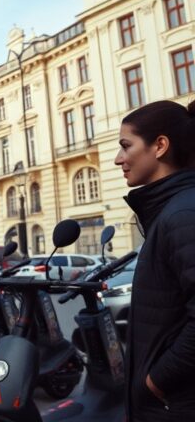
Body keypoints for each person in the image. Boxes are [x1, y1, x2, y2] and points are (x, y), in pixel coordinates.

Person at [115, 100, 195, 421]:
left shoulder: (182, 214)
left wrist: (155, 382)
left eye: (125, 146)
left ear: (160, 146)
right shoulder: (172, 210)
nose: (118, 159)